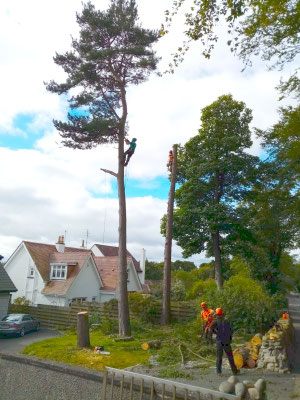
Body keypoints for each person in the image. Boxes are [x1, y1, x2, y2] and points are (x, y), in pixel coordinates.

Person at [210, 307, 238, 376]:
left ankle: (219, 372)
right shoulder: (226, 322)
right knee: (230, 357)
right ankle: (234, 371)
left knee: (219, 357)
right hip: (226, 341)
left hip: (219, 340)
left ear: (217, 315)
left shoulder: (214, 322)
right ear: (222, 315)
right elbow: (231, 331)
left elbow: (211, 329)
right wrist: (230, 339)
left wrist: (215, 333)